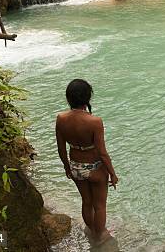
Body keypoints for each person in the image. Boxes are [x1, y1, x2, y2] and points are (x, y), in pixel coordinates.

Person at [55, 79, 118, 244]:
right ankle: (100, 237)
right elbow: (102, 153)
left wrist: (67, 168)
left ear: (68, 98)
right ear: (88, 97)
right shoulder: (94, 121)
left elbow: (61, 148)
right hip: (95, 168)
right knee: (100, 206)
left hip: (75, 166)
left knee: (86, 202)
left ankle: (91, 231)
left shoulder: (61, 118)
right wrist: (112, 173)